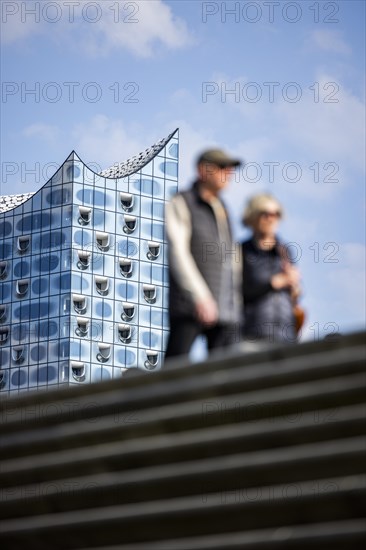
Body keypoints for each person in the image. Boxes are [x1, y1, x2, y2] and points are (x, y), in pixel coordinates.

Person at [164, 148, 242, 359]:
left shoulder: (223, 208)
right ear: (202, 170)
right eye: (222, 167)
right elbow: (178, 253)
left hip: (224, 310)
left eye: (230, 169)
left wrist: (234, 304)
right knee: (175, 369)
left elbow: (231, 259)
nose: (228, 173)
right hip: (189, 306)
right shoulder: (182, 201)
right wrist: (200, 297)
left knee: (222, 377)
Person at [241, 193, 302, 344]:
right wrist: (273, 283)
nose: (271, 218)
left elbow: (296, 296)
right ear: (253, 216)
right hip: (253, 334)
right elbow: (236, 294)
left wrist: (295, 286)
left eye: (276, 214)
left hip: (285, 334)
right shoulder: (241, 251)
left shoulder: (285, 251)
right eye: (265, 214)